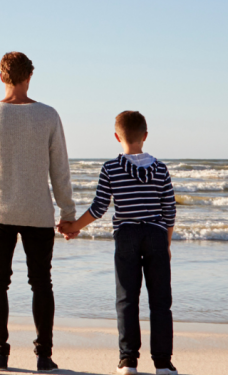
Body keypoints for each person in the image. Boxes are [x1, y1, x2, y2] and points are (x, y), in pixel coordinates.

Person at [0, 51, 76, 373]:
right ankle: (44, 356)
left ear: (1, 77)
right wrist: (68, 213)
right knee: (42, 283)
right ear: (30, 77)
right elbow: (60, 170)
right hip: (38, 212)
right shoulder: (49, 115)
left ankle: (0, 354)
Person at [60, 111, 179, 375]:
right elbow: (169, 210)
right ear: (145, 137)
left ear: (117, 137)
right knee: (161, 301)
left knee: (127, 299)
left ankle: (128, 361)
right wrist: (167, 243)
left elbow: (99, 207)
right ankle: (163, 363)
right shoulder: (160, 168)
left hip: (126, 234)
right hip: (157, 234)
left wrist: (73, 227)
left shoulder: (111, 168)